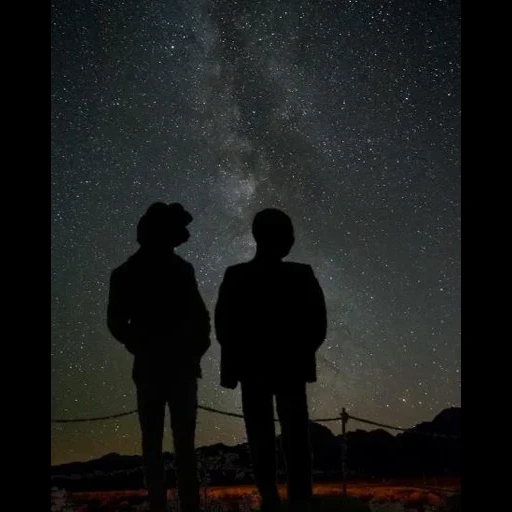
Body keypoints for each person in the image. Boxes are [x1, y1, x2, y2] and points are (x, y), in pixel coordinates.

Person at [215, 208, 327, 512]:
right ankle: (296, 499)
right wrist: (298, 351)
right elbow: (317, 324)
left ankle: (273, 498)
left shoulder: (237, 275)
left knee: (265, 435)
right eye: (288, 233)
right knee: (292, 435)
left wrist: (243, 356)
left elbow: (224, 326)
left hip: (255, 369)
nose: (292, 239)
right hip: (286, 367)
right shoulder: (300, 275)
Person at [107, 202, 210, 512]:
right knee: (164, 444)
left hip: (170, 365)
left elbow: (200, 317)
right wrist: (142, 344)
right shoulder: (129, 273)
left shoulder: (174, 270)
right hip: (164, 365)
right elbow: (116, 322)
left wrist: (194, 349)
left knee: (169, 444)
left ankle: (174, 505)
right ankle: (168, 505)